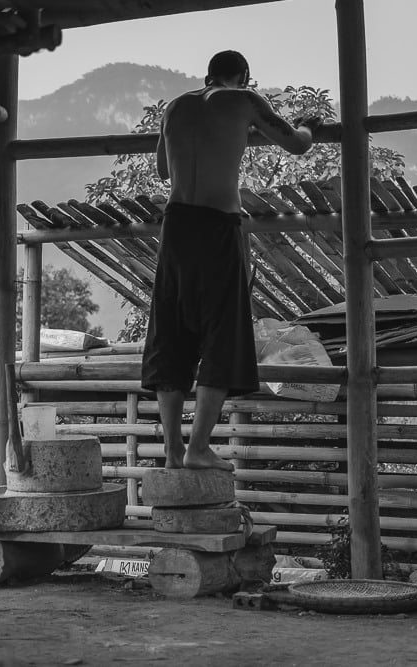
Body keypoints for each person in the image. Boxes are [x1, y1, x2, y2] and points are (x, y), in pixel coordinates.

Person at [141, 50, 322, 471]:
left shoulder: (175, 106)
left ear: (206, 76)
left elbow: (163, 169)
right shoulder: (246, 100)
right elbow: (296, 145)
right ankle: (199, 447)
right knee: (224, 330)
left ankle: (171, 451)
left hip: (176, 224)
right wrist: (309, 126)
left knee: (172, 328)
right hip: (217, 225)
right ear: (242, 76)